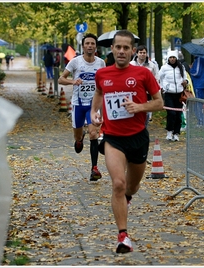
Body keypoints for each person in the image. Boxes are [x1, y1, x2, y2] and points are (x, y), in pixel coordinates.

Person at [91, 30, 163, 254]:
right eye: (117, 47)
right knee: (118, 184)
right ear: (111, 49)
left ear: (133, 51)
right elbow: (99, 94)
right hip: (113, 138)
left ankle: (127, 198)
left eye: (126, 48)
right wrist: (94, 114)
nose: (121, 51)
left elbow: (159, 103)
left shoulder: (143, 73)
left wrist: (139, 107)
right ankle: (123, 236)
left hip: (138, 137)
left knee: (131, 187)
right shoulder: (102, 73)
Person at [58, 33, 106, 181]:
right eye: (87, 43)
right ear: (83, 46)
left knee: (94, 134)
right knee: (78, 138)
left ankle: (94, 169)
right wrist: (73, 82)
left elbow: (104, 83)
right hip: (78, 105)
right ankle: (79, 139)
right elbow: (61, 79)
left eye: (92, 43)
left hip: (93, 106)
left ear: (95, 46)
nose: (90, 46)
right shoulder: (75, 62)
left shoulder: (101, 63)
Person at [159, 50, 189, 142]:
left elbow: (185, 78)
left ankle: (176, 133)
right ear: (168, 58)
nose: (172, 59)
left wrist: (185, 82)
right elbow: (159, 78)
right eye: (170, 58)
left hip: (179, 94)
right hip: (168, 93)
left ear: (176, 58)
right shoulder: (164, 68)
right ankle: (169, 131)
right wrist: (161, 88)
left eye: (174, 57)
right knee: (171, 113)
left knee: (178, 114)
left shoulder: (181, 67)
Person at [130, 44, 160, 127]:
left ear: (146, 54)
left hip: (146, 92)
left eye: (144, 53)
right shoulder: (131, 64)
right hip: (134, 91)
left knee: (145, 111)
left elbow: (156, 78)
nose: (142, 54)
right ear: (137, 53)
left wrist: (157, 90)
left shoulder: (151, 65)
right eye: (140, 52)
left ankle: (144, 127)